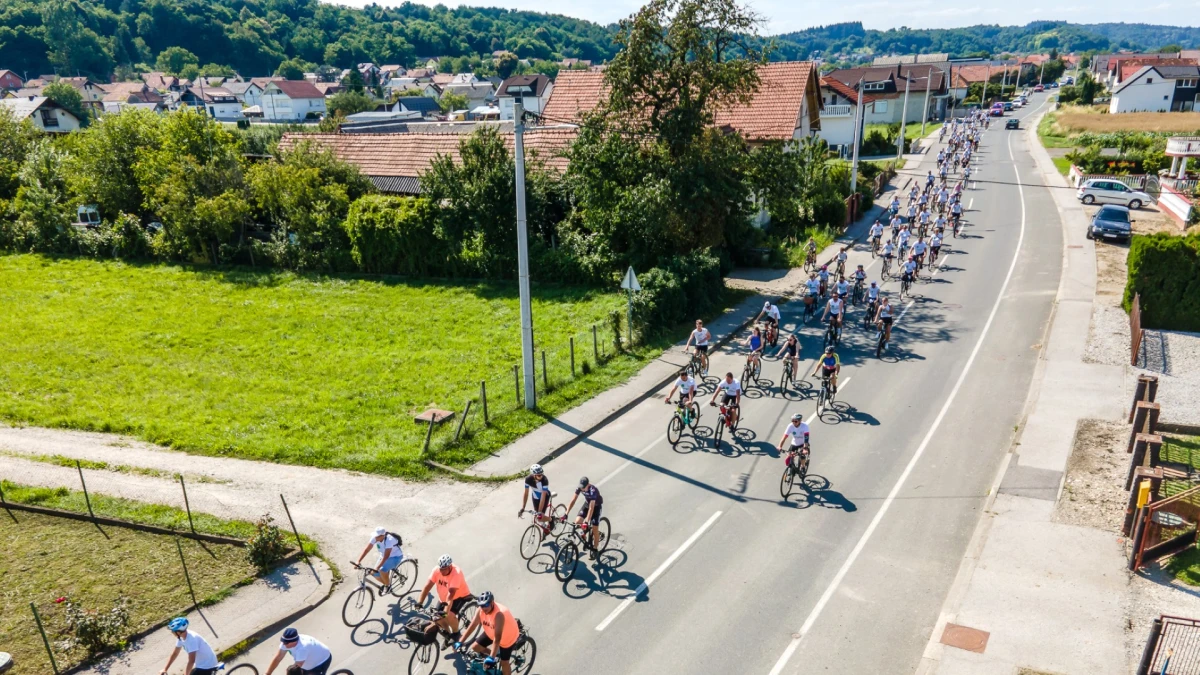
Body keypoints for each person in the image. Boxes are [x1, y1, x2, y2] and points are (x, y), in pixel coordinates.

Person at [415, 555, 471, 648]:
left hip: (459, 596)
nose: (442, 571)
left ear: (450, 567)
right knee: (436, 618)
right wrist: (419, 602)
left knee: (449, 615)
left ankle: (456, 634)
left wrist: (445, 612)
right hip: (443, 598)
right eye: (441, 569)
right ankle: (448, 636)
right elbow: (427, 587)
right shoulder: (437, 570)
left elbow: (451, 595)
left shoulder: (456, 573)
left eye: (444, 569)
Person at [458, 592, 520, 675]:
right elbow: (472, 625)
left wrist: (491, 657)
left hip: (507, 638)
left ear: (492, 602)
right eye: (481, 605)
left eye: (486, 605)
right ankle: (495, 655)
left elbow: (497, 638)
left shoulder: (499, 614)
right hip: (491, 631)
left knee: (504, 662)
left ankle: (496, 658)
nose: (484, 608)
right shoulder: (480, 610)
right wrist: (460, 641)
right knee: (475, 647)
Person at [354, 527, 403, 594]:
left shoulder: (389, 539)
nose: (375, 538)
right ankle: (387, 583)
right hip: (383, 556)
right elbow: (367, 550)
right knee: (373, 573)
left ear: (383, 535)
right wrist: (358, 561)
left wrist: (377, 567)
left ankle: (388, 586)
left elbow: (386, 556)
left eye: (377, 536)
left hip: (395, 557)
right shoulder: (375, 537)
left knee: (381, 570)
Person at [265, 629, 331, 675]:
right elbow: (278, 658)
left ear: (294, 642)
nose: (284, 644)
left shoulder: (302, 648)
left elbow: (295, 669)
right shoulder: (286, 642)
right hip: (306, 662)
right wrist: (267, 673)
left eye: (286, 643)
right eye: (283, 641)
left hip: (321, 662)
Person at [565, 477, 604, 556]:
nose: (581, 489)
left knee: (594, 529)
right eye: (581, 487)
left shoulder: (593, 490)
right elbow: (573, 500)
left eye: (583, 487)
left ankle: (595, 548)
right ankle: (585, 539)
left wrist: (586, 521)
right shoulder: (580, 487)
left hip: (596, 507)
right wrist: (566, 513)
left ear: (588, 485)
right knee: (577, 522)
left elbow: (591, 508)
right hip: (587, 505)